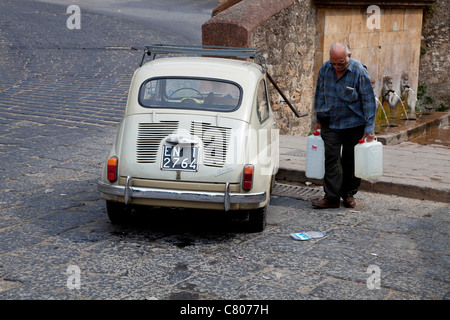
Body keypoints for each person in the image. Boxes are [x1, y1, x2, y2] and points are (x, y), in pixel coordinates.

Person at [312, 42, 376, 209]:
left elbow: (368, 100)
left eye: (340, 63)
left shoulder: (358, 71)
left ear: (349, 56)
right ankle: (331, 198)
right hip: (330, 122)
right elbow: (319, 94)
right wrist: (317, 119)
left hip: (353, 124)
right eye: (333, 62)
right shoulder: (325, 69)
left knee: (351, 161)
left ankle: (348, 194)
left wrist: (369, 128)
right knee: (332, 160)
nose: (337, 66)